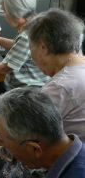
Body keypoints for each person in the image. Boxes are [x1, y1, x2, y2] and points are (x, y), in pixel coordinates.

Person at [27, 8, 85, 141]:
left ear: (43, 47)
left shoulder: (60, 87)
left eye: (31, 49)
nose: (32, 58)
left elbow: (25, 136)